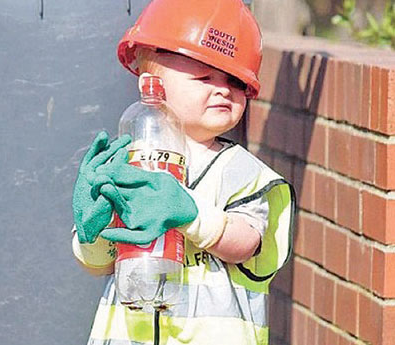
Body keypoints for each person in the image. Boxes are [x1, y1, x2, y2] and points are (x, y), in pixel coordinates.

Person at [71, 0, 295, 344]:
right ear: (152, 85)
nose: (222, 88)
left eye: (235, 81)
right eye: (204, 77)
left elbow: (247, 243)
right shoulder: (126, 162)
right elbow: (100, 263)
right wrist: (93, 231)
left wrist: (189, 214)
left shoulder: (245, 174)